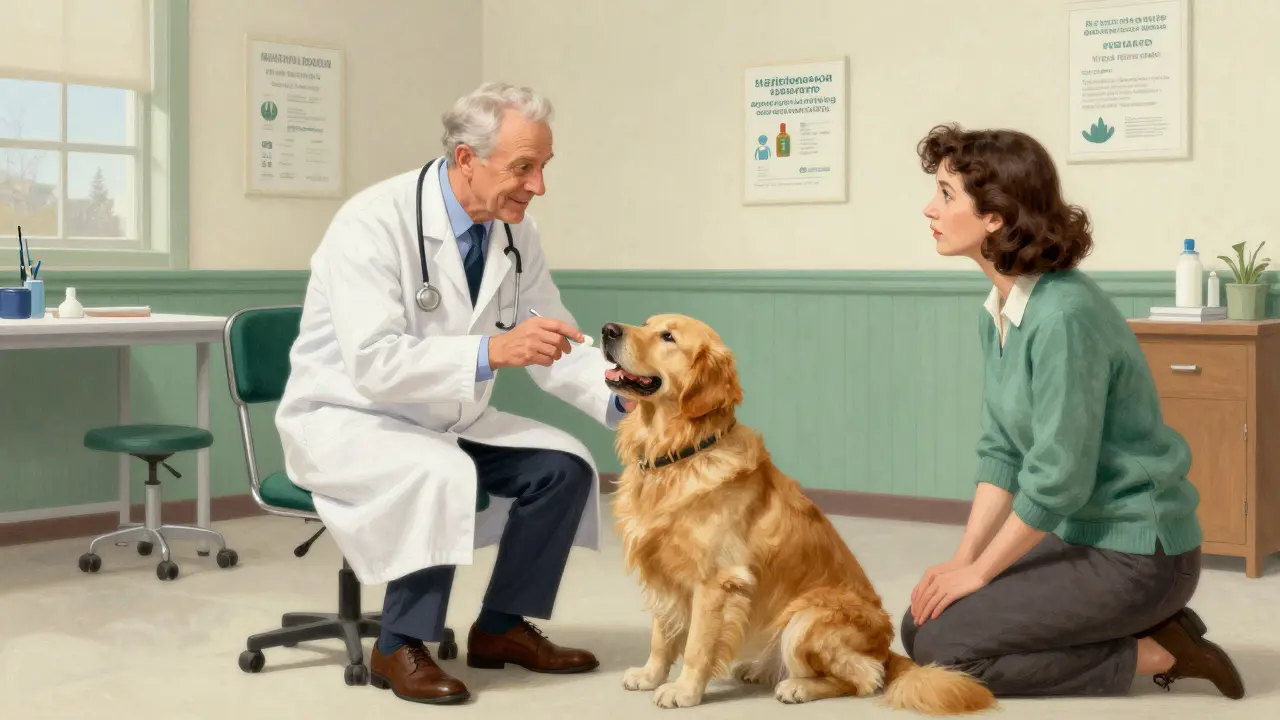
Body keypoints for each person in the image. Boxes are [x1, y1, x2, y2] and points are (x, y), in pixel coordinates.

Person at [274, 81, 634, 705]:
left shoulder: (515, 232)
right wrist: (492, 351)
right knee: (441, 472)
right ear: (467, 158)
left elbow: (553, 335)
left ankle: (500, 628)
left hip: (446, 415)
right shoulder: (371, 223)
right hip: (349, 418)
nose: (538, 185)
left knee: (566, 468)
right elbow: (374, 361)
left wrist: (622, 393)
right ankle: (398, 643)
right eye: (523, 167)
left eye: (544, 167)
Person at [899, 123, 1245, 700]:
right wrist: (963, 561)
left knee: (944, 650)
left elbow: (1058, 477)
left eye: (945, 194)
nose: (929, 208)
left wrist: (980, 574)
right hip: (1082, 536)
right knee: (921, 627)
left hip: (1141, 556)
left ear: (994, 217)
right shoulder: (1002, 309)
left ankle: (1157, 651)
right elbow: (1002, 452)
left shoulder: (1064, 316)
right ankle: (1141, 629)